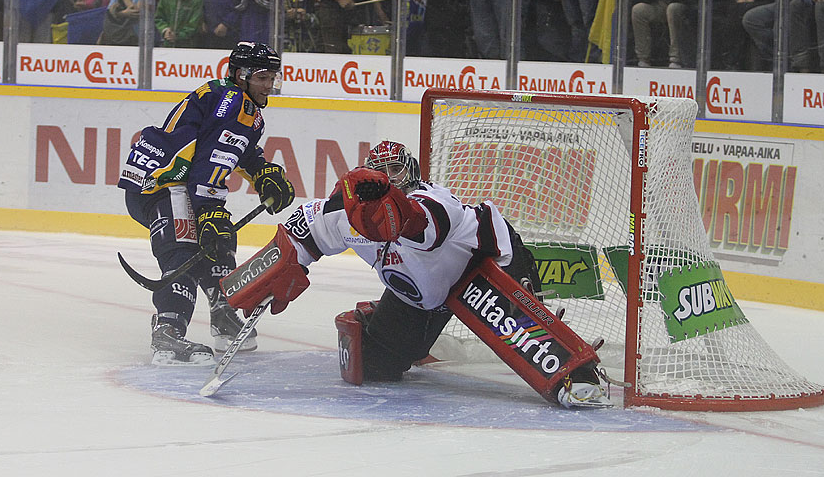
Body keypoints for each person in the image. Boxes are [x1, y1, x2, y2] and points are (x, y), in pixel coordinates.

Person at [222, 140, 609, 408]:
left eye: (395, 170)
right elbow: (301, 229)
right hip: (421, 290)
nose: (389, 177)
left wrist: (384, 207)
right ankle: (380, 318)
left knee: (528, 342)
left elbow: (415, 222)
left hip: (482, 269)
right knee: (374, 367)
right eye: (380, 172)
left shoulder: (434, 201)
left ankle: (581, 376)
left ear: (410, 171)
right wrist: (281, 266)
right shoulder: (342, 213)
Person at [118, 41, 296, 366]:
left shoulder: (237, 103)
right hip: (164, 182)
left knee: (219, 238)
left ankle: (222, 311)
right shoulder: (234, 103)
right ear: (241, 75)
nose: (270, 85)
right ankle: (168, 330)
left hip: (175, 181)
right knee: (186, 248)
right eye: (263, 77)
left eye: (273, 78)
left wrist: (264, 173)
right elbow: (211, 159)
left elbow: (238, 149)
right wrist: (210, 209)